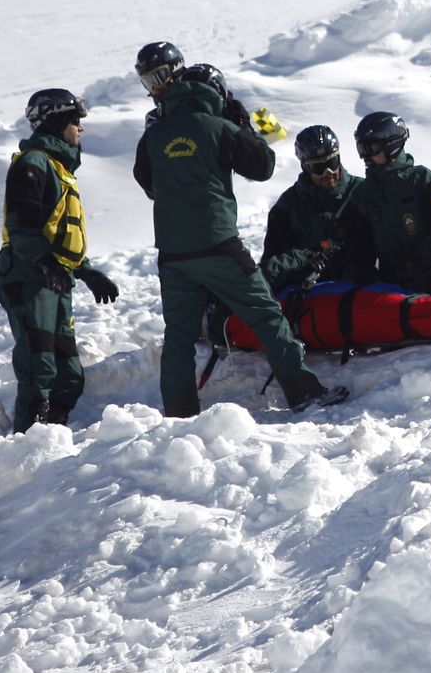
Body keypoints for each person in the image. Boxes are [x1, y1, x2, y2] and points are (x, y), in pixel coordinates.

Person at [133, 60, 346, 416]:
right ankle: (302, 392)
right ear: (216, 92)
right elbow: (263, 167)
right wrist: (244, 125)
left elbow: (148, 182)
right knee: (266, 314)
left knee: (179, 335)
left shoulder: (154, 135)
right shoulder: (219, 127)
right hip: (218, 244)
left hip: (172, 252)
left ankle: (179, 412)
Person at [0, 89, 121, 433]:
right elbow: (23, 226)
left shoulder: (59, 168)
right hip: (29, 278)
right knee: (41, 370)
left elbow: (59, 234)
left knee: (68, 375)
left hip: (53, 279)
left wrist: (87, 272)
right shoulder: (34, 163)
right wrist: (46, 264)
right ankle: (25, 445)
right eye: (75, 121)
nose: (81, 128)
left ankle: (52, 436)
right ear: (55, 122)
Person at [344, 112, 431, 294]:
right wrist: (362, 276)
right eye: (361, 149)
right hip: (394, 281)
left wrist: (419, 260)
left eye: (371, 148)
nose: (365, 157)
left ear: (392, 145)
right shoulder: (363, 195)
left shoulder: (424, 181)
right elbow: (360, 247)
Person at [260, 125, 365, 294]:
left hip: (359, 293)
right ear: (305, 167)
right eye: (319, 168)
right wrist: (303, 259)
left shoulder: (361, 193)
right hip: (309, 296)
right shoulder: (288, 205)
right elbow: (269, 269)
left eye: (332, 162)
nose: (328, 172)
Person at [135, 41, 185, 125]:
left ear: (176, 70)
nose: (154, 88)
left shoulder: (202, 98)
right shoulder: (154, 120)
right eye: (147, 83)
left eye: (158, 77)